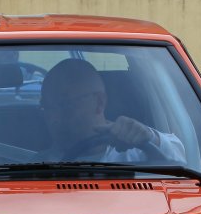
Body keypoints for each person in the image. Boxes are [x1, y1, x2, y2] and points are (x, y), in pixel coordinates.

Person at [37, 56, 187, 164]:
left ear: (99, 102)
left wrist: (150, 137)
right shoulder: (35, 168)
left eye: (65, 105)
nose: (53, 119)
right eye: (47, 108)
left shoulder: (138, 153)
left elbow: (185, 162)